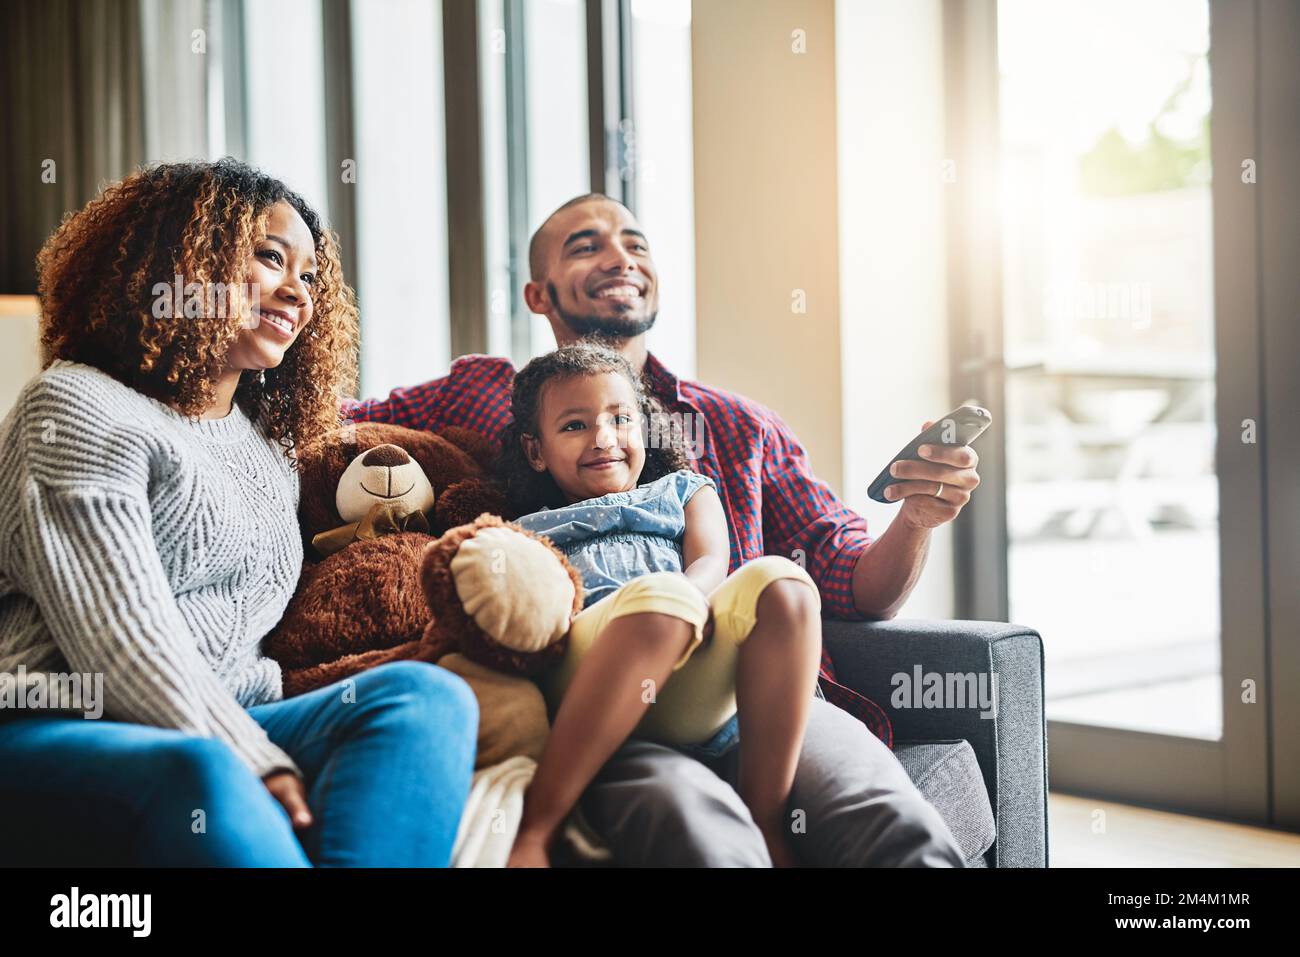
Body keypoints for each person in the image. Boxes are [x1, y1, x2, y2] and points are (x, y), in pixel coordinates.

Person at [342, 192, 980, 866]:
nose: (620, 255)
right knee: (697, 831)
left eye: (636, 243)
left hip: (756, 701)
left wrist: (915, 517)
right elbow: (336, 425)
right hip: (607, 699)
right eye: (586, 245)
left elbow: (857, 583)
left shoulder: (738, 426)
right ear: (538, 293)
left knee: (889, 821)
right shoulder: (484, 394)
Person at [0, 159, 478, 867]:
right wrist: (251, 754)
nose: (298, 291)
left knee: (426, 700)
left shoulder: (267, 453)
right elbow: (121, 641)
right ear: (181, 261)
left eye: (310, 275)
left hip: (232, 717)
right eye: (269, 256)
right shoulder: (75, 406)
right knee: (207, 771)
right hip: (58, 720)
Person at [497, 343, 823, 867]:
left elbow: (713, 561)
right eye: (575, 426)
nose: (604, 439)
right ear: (536, 451)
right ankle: (535, 830)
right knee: (660, 600)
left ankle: (767, 821)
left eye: (620, 419)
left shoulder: (683, 492)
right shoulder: (522, 530)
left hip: (689, 660)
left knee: (785, 585)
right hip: (590, 670)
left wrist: (688, 605)